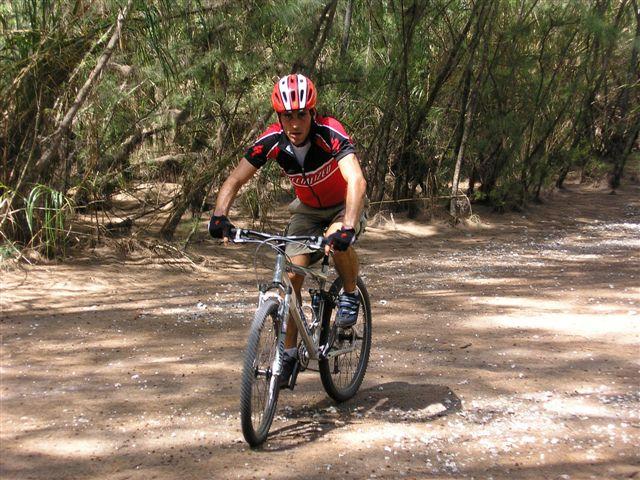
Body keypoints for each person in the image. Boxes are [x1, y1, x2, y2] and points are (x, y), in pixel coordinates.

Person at [208, 73, 367, 387]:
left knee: (339, 244)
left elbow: (356, 180)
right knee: (292, 276)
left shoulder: (329, 132)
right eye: (287, 116)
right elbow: (235, 179)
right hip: (307, 211)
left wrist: (347, 225)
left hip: (341, 205)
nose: (295, 123)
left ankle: (350, 294)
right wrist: (219, 216)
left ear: (312, 112)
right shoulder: (271, 141)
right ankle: (289, 353)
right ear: (278, 117)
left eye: (300, 115)